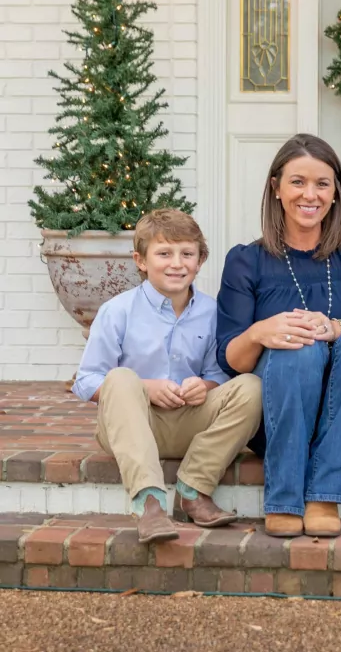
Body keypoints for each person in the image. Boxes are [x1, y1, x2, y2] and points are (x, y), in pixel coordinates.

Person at [216, 134, 341, 540]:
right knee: (298, 346)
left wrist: (334, 328)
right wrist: (260, 332)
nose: (310, 195)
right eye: (298, 182)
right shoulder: (246, 261)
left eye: (322, 184)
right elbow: (231, 361)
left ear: (335, 192)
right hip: (275, 423)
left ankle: (325, 495)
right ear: (276, 188)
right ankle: (284, 497)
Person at [73, 209, 263, 544]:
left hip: (190, 423)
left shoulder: (212, 312)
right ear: (141, 261)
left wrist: (204, 385)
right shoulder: (117, 311)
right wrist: (144, 387)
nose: (177, 264)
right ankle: (150, 503)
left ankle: (194, 490)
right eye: (164, 253)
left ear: (200, 260)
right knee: (121, 377)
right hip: (132, 424)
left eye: (187, 254)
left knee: (251, 386)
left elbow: (217, 371)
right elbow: (87, 380)